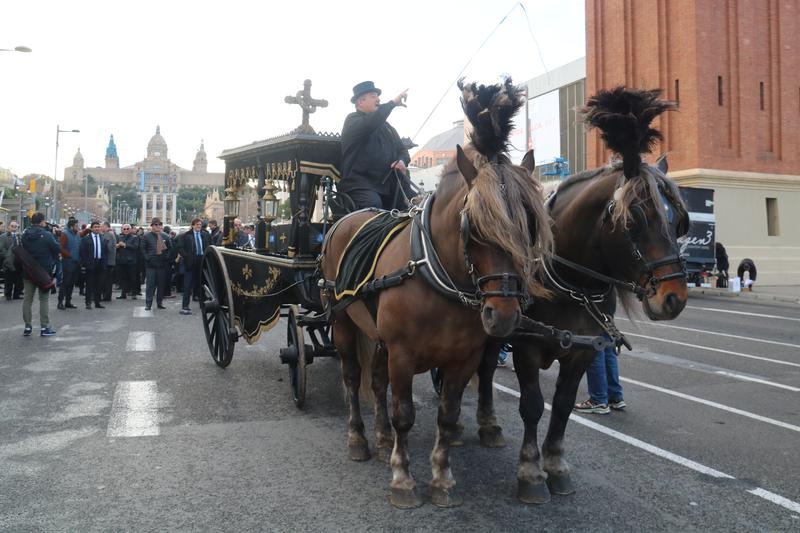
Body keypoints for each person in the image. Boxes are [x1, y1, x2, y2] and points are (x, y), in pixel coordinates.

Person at [340, 81, 415, 210]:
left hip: (390, 186)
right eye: (373, 96)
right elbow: (371, 122)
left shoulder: (387, 128)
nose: (378, 99)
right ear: (360, 102)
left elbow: (402, 150)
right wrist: (393, 103)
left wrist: (402, 161)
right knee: (374, 205)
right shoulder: (352, 121)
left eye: (377, 96)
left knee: (417, 206)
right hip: (360, 185)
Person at [574, 300, 625, 415]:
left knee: (595, 347)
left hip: (593, 300)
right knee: (607, 345)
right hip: (607, 301)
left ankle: (598, 400)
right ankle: (614, 396)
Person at [20, 212, 60, 336]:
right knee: (44, 299)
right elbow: (57, 249)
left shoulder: (25, 234)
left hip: (28, 270)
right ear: (42, 221)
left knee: (27, 299)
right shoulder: (47, 235)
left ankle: (27, 327)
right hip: (43, 272)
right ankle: (44, 327)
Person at [179, 218, 211, 315]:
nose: (198, 226)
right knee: (187, 285)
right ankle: (185, 306)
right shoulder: (186, 235)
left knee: (201, 283)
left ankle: (203, 305)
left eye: (200, 224)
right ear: (192, 225)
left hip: (202, 260)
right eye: (197, 224)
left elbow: (210, 246)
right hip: (190, 261)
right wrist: (187, 256)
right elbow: (180, 248)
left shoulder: (205, 235)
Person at [141, 217, 171, 311]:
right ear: (152, 226)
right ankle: (148, 304)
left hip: (162, 264)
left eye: (159, 224)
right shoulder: (146, 236)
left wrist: (166, 257)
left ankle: (160, 303)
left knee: (161, 285)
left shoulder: (165, 236)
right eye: (156, 225)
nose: (158, 226)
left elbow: (170, 248)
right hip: (151, 264)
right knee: (150, 285)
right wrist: (147, 258)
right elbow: (142, 248)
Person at [79, 221, 107, 309]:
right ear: (91, 228)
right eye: (95, 227)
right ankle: (88, 302)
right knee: (89, 285)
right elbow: (82, 252)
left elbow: (105, 252)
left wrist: (104, 263)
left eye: (98, 227)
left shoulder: (102, 238)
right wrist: (85, 264)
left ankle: (97, 302)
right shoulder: (86, 239)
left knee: (99, 284)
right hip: (90, 264)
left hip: (100, 263)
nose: (97, 228)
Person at [57, 219, 81, 309]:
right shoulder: (65, 234)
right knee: (65, 282)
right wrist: (69, 255)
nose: (77, 227)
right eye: (76, 226)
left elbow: (80, 239)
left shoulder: (77, 234)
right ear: (71, 226)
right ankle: (60, 302)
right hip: (67, 261)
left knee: (71, 283)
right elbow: (61, 248)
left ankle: (68, 301)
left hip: (76, 262)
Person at [0, 220, 24, 300]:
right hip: (8, 261)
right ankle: (8, 295)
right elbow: (1, 248)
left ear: (18, 227)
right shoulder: (3, 236)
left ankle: (16, 294)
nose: (14, 227)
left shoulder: (20, 236)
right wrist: (7, 256)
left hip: (18, 261)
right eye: (12, 226)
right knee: (8, 279)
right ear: (9, 226)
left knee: (18, 279)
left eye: (15, 226)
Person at [115, 223, 140, 299]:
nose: (126, 230)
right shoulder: (120, 237)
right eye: (124, 229)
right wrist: (117, 246)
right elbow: (117, 247)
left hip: (131, 261)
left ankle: (134, 293)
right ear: (122, 230)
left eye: (127, 229)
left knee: (132, 277)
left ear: (130, 229)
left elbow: (135, 247)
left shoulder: (135, 237)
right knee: (123, 278)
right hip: (121, 260)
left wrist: (125, 245)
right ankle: (123, 294)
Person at [101, 221, 117, 301]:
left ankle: (106, 296)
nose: (100, 228)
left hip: (108, 261)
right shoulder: (110, 234)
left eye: (101, 226)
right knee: (107, 279)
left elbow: (108, 247)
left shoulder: (108, 234)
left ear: (105, 226)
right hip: (109, 260)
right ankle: (106, 295)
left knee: (107, 279)